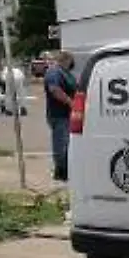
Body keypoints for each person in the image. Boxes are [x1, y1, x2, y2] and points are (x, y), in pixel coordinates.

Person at [44, 51, 77, 182]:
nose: (73, 64)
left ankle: (65, 170)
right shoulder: (54, 72)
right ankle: (61, 171)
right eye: (71, 61)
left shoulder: (65, 72)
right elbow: (54, 89)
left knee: (66, 144)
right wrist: (71, 103)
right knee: (61, 144)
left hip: (67, 114)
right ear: (66, 60)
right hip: (59, 115)